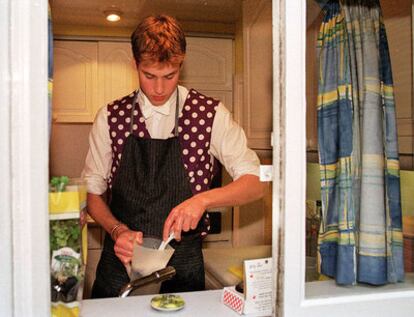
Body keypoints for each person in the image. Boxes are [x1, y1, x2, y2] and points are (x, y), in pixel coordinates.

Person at [82, 14, 266, 298]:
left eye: (169, 76)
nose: (159, 89)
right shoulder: (109, 117)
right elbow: (94, 196)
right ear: (135, 64)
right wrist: (117, 230)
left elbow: (255, 183)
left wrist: (202, 200)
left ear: (181, 63)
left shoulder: (210, 114)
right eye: (149, 75)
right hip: (120, 263)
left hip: (183, 267)